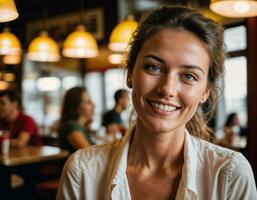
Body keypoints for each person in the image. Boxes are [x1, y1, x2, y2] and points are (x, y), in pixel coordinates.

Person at [57, 6, 257, 199]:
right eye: (153, 67)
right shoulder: (82, 170)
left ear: (205, 92)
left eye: (188, 76)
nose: (167, 89)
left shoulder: (230, 175)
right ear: (130, 75)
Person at [58, 86, 96, 153]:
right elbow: (89, 153)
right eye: (88, 102)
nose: (93, 105)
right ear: (76, 106)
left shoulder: (81, 127)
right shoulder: (72, 126)